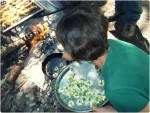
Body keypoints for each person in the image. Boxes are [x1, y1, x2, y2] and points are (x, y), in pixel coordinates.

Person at [55, 7, 149, 112]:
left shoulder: (115, 90)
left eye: (66, 49)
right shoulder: (116, 44)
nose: (65, 52)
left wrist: (113, 112)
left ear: (83, 56)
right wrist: (73, 53)